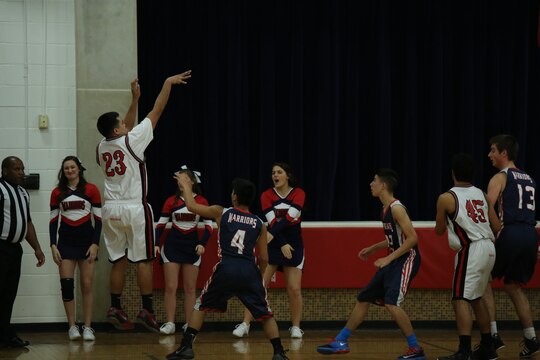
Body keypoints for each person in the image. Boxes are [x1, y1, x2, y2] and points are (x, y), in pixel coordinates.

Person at [96, 70, 192, 332]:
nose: (127, 124)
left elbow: (123, 128)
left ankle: (115, 306)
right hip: (133, 208)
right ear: (118, 129)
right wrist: (166, 83)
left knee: (118, 260)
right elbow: (157, 111)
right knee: (144, 260)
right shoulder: (131, 140)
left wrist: (133, 101)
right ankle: (147, 310)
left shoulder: (102, 146)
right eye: (123, 124)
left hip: (110, 209)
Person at [166, 173, 288, 360]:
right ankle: (279, 352)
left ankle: (186, 347)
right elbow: (264, 257)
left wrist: (186, 186)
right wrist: (260, 275)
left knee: (200, 305)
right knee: (266, 313)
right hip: (249, 270)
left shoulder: (221, 212)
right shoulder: (259, 223)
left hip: (227, 268)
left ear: (235, 196)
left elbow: (191, 206)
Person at [317, 168, 424, 360]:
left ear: (383, 185)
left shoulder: (396, 208)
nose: (370, 184)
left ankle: (415, 349)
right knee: (363, 298)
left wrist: (388, 258)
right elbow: (395, 238)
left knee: (392, 304)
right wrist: (374, 248)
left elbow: (412, 239)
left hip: (407, 259)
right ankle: (341, 340)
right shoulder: (384, 209)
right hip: (394, 258)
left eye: (374, 180)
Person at [434, 153, 499, 360]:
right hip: (489, 248)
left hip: (471, 249)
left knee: (459, 298)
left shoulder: (446, 197)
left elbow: (438, 230)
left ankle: (464, 351)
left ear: (452, 173)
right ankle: (488, 346)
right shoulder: (481, 193)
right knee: (477, 298)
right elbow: (497, 226)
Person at [233, 162, 305, 339]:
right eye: (273, 173)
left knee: (294, 288)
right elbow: (272, 222)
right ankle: (245, 324)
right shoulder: (266, 195)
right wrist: (280, 243)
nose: (275, 175)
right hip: (274, 244)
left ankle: (296, 327)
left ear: (287, 175)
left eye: (279, 172)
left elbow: (289, 219)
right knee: (258, 286)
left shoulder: (299, 193)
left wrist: (278, 239)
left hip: (294, 243)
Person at [482, 134, 539, 358]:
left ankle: (493, 336)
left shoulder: (500, 176)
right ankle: (531, 339)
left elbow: (488, 207)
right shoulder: (529, 178)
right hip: (531, 234)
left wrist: (499, 232)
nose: (490, 155)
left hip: (512, 232)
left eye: (493, 150)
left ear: (504, 153)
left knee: (483, 278)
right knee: (514, 286)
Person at [155, 167, 213, 335]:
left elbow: (209, 226)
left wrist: (202, 243)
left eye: (184, 179)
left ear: (192, 182)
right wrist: (157, 243)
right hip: (172, 247)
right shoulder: (170, 201)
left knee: (190, 289)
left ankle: (189, 324)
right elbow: (161, 224)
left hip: (192, 248)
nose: (180, 182)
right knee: (171, 287)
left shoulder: (201, 201)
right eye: (178, 179)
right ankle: (170, 322)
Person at [49, 156, 102, 341]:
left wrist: (95, 244)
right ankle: (72, 326)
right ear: (63, 172)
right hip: (65, 244)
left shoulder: (92, 190)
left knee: (87, 285)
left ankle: (88, 327)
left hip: (87, 244)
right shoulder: (57, 193)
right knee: (67, 286)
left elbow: (100, 221)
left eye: (72, 167)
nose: (69, 171)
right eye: (66, 168)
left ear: (79, 169)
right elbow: (53, 222)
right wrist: (53, 245)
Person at [0, 156, 46, 347]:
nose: (21, 172)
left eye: (22, 169)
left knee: (9, 294)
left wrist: (37, 248)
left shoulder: (22, 192)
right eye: (16, 169)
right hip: (0, 247)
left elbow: (27, 222)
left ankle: (5, 335)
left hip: (15, 249)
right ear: (5, 171)